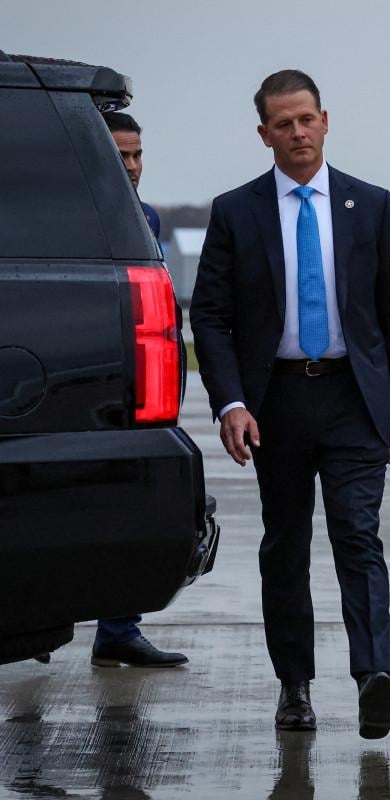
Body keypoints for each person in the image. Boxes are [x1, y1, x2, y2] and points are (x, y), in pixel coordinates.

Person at [190, 69, 390, 739]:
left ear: (326, 121)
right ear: (264, 133)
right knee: (286, 545)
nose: (298, 132)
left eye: (307, 119)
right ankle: (294, 686)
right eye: (283, 124)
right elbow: (210, 316)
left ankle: (373, 676)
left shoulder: (369, 204)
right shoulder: (236, 212)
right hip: (277, 402)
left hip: (355, 398)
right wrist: (231, 402)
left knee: (358, 535)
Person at [88, 111, 186, 669]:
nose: (131, 166)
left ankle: (119, 630)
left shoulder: (145, 218)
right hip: (88, 381)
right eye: (119, 154)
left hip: (143, 384)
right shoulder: (70, 216)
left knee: (134, 505)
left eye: (137, 154)